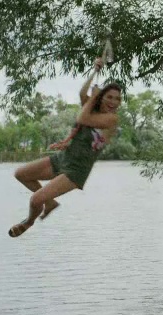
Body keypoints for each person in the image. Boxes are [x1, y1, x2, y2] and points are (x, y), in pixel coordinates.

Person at [8, 57, 122, 237]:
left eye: (118, 99)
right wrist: (94, 71)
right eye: (109, 97)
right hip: (63, 158)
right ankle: (51, 203)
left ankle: (28, 222)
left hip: (76, 170)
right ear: (101, 98)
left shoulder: (111, 120)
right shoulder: (92, 107)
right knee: (21, 174)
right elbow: (82, 93)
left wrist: (93, 98)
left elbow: (82, 119)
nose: (114, 102)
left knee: (35, 199)